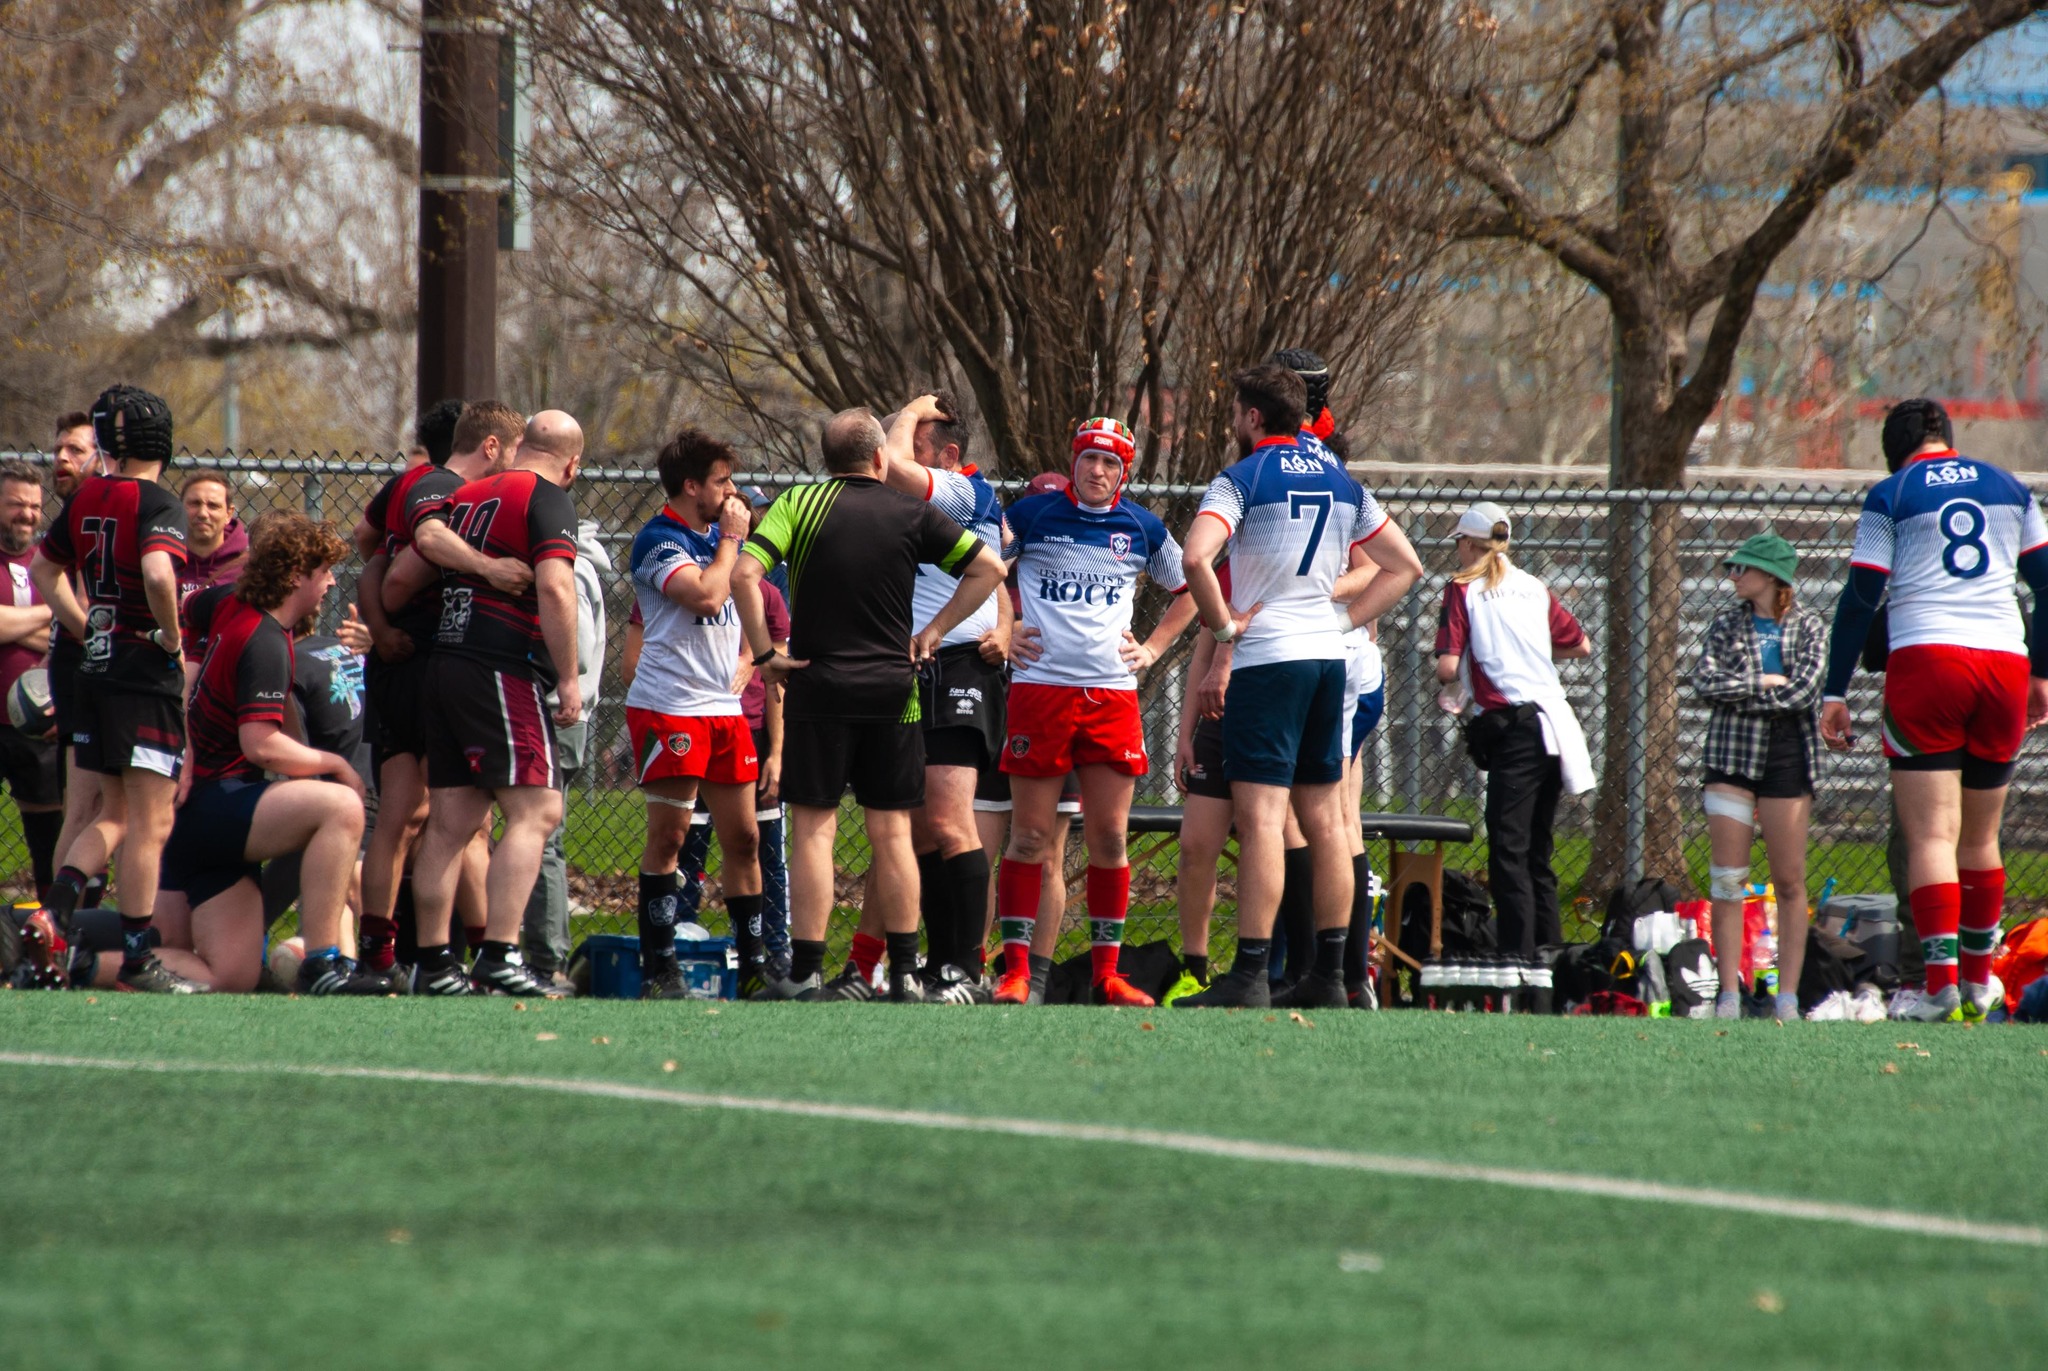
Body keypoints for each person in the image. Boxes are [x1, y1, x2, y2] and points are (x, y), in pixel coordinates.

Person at [734, 407, 1005, 1002]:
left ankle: (805, 972)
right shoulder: (910, 511)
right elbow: (989, 567)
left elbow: (743, 576)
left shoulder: (798, 506)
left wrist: (764, 655)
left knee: (814, 833)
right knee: (891, 834)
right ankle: (906, 975)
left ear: (825, 461)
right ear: (880, 458)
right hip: (893, 692)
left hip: (817, 688)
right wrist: (934, 631)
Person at [1177, 365, 1421, 1009]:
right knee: (1328, 820)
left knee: (1261, 820)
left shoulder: (1242, 477)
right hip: (1326, 660)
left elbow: (1196, 557)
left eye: (1236, 410)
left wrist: (1226, 629)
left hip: (1268, 660)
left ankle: (1252, 974)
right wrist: (1339, 618)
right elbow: (1407, 565)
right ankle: (1331, 977)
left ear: (1253, 417)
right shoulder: (1341, 479)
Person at [1821, 398, 2048, 1023]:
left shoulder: (1891, 494)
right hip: (2004, 661)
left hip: (1927, 659)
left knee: (1931, 836)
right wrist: (2043, 675)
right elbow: (2047, 582)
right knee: (1981, 837)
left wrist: (1834, 690)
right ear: (1948, 438)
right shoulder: (2012, 487)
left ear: (1895, 452)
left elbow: (1863, 596)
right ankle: (1980, 984)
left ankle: (1938, 986)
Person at [992, 415, 1200, 1008]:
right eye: (1089, 459)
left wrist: (1155, 648)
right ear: (1074, 461)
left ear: (1124, 472)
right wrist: (1002, 631)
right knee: (1030, 837)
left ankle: (1108, 974)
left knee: (1110, 838)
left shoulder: (1142, 526)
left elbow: (1194, 586)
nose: (1098, 471)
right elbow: (977, 569)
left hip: (1111, 699)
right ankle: (1014, 973)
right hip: (1040, 693)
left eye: (1111, 463)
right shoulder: (1030, 516)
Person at [389, 410, 585, 996]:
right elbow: (554, 586)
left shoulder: (465, 496)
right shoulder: (547, 496)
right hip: (499, 665)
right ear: (572, 463)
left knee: (451, 822)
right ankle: (499, 954)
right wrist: (570, 677)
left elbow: (401, 574)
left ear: (519, 444)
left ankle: (433, 962)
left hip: (444, 661)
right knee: (538, 810)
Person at [151, 516, 384, 994]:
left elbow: (189, 606)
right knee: (341, 808)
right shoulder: (265, 638)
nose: (332, 581)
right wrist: (337, 766)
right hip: (215, 801)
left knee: (228, 975)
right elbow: (260, 745)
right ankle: (324, 963)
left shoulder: (231, 600)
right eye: (324, 571)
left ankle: (68, 951)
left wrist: (186, 701)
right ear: (297, 574)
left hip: (202, 813)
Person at [30, 385, 198, 993]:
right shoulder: (159, 502)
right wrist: (171, 640)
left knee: (112, 815)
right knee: (149, 825)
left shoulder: (86, 496)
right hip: (142, 677)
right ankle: (136, 959)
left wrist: (85, 626)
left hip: (92, 672)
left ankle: (52, 918)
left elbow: (44, 569)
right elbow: (158, 573)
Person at [353, 399, 530, 974]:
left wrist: (379, 617)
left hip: (436, 659)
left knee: (451, 817)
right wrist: (489, 569)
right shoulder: (434, 484)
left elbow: (369, 542)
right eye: (517, 451)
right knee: (419, 814)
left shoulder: (437, 489)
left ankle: (467, 955)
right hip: (419, 660)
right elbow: (416, 547)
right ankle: (396, 957)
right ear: (493, 447)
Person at [624, 427, 786, 1000]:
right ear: (691, 486)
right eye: (722, 481)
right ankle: (659, 967)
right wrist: (731, 541)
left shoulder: (724, 537)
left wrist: (759, 658)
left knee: (743, 838)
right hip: (669, 707)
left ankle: (756, 968)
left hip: (722, 707)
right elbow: (708, 596)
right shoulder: (657, 541)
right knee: (669, 839)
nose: (732, 491)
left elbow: (750, 604)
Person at [874, 394, 1011, 999]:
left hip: (959, 666)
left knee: (953, 821)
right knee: (924, 829)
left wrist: (908, 410)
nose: (895, 457)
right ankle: (938, 966)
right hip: (913, 668)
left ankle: (967, 967)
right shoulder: (905, 507)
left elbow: (894, 464)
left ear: (948, 456)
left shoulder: (962, 490)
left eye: (913, 443)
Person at [1433, 502, 1594, 975]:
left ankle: (1517, 960)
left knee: (1508, 849)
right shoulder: (1532, 586)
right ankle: (1551, 960)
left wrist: (1452, 675)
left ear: (1468, 544)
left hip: (1516, 729)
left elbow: (1447, 664)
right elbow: (1579, 644)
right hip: (1556, 726)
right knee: (1538, 851)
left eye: (1459, 544)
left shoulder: (1462, 589)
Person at [1691, 533, 1826, 1021]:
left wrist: (1743, 695)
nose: (1733, 577)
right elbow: (1704, 682)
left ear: (1771, 576)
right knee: (1728, 880)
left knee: (1788, 881)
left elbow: (1804, 693)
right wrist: (1763, 682)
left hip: (1789, 759)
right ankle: (1728, 994)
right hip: (1731, 757)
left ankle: (1786, 998)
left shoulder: (1809, 625)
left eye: (1741, 569)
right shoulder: (1726, 623)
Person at [520, 512, 611, 986]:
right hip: (559, 714)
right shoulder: (570, 560)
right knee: (535, 833)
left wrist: (559, 693)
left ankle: (546, 959)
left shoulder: (569, 568)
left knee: (542, 837)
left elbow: (576, 645)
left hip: (558, 715)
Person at [0, 463, 61, 902]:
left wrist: (12, 624)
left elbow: (67, 635)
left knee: (49, 841)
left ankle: (52, 934)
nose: (26, 514)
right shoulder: (51, 586)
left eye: (34, 506)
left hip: (39, 723)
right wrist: (51, 610)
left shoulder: (47, 564)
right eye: (15, 504)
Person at [177, 468, 248, 599]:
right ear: (180, 507)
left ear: (229, 513)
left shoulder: (249, 568)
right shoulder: (163, 560)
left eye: (213, 506)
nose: (203, 513)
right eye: (194, 504)